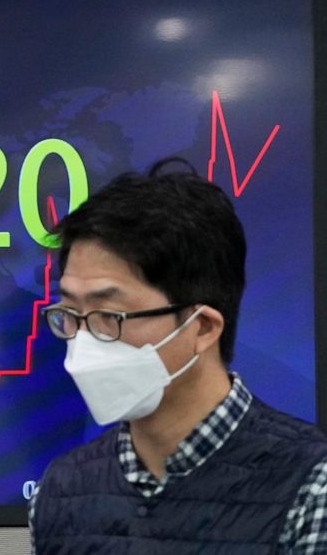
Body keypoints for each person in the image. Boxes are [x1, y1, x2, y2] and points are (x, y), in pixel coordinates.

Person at [28, 158, 327, 554]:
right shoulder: (60, 491)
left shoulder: (310, 487)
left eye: (109, 316)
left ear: (202, 327)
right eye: (70, 313)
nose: (82, 342)